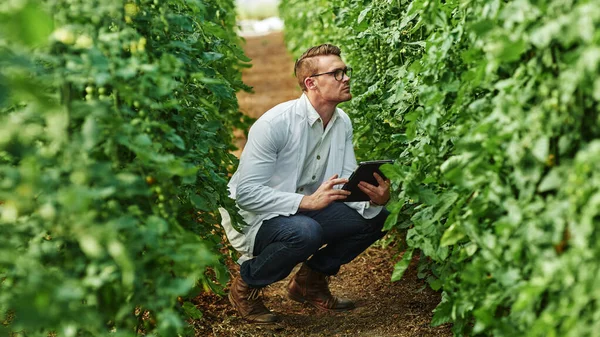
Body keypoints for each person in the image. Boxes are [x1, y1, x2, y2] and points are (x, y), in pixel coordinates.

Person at [218, 43, 391, 323]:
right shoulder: (275, 124)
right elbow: (245, 195)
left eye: (345, 71)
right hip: (257, 219)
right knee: (305, 232)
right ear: (311, 83)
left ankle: (310, 282)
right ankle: (246, 285)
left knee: (378, 217)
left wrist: (372, 197)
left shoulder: (341, 121)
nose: (345, 78)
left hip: (305, 211)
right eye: (336, 73)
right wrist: (305, 202)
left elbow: (344, 184)